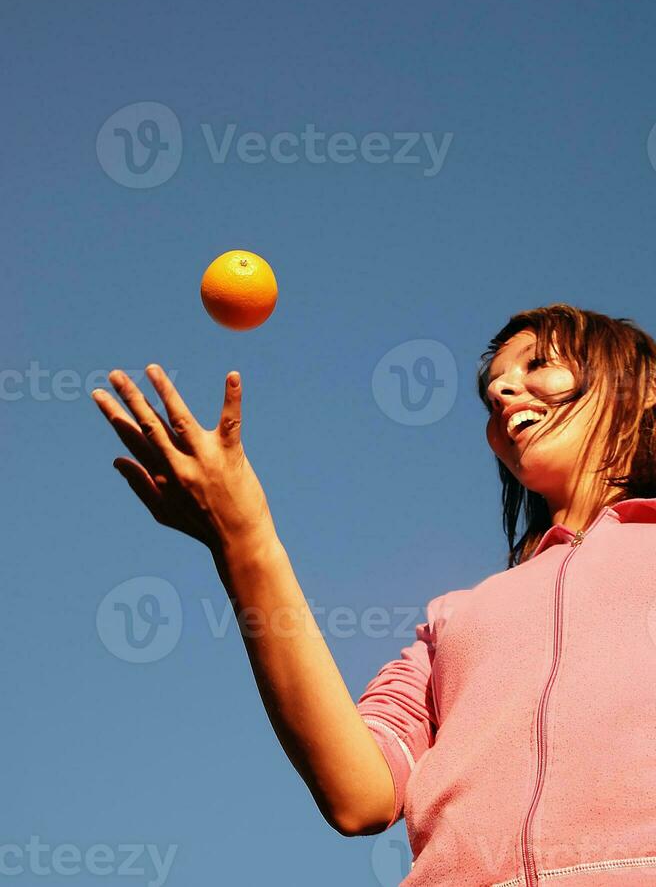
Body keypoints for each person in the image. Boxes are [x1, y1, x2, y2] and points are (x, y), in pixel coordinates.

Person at [91, 302, 656, 887]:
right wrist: (244, 542)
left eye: (537, 363)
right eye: (492, 390)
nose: (504, 389)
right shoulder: (456, 618)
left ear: (642, 395)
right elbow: (359, 793)